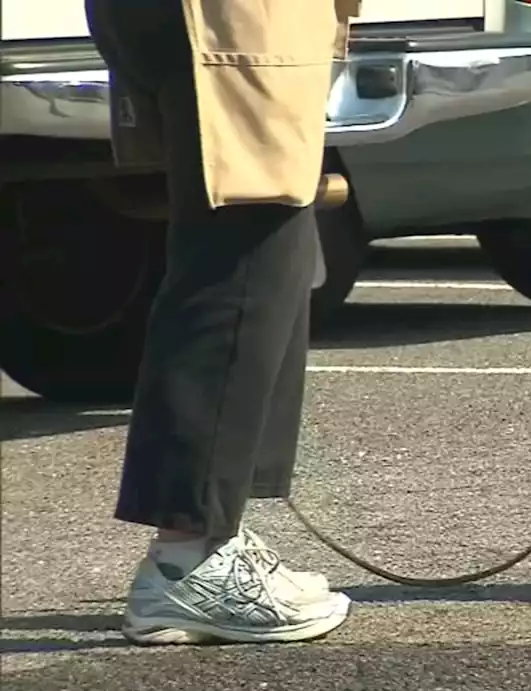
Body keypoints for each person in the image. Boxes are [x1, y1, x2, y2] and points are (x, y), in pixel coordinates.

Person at [85, 0, 362, 645]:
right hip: (228, 18)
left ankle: (214, 536)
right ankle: (188, 562)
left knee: (272, 247)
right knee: (244, 253)